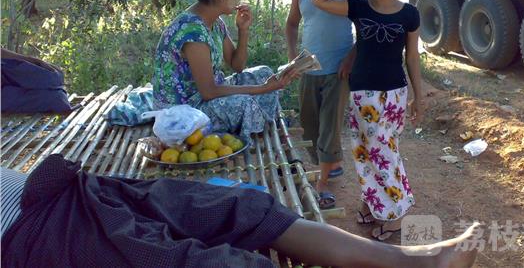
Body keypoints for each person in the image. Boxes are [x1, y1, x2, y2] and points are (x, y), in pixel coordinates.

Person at [0, 155, 480, 267]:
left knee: (235, 205)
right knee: (192, 262)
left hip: (59, 190)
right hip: (29, 235)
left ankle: (414, 262)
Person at [312, 0, 425, 241]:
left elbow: (412, 57)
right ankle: (371, 204)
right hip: (362, 93)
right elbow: (318, 0)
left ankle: (395, 218)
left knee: (384, 153)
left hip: (394, 93)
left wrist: (419, 96)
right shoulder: (359, 7)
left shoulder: (410, 14)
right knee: (364, 151)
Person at [152, 0, 296, 142]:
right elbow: (209, 92)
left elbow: (237, 65)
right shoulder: (192, 32)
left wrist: (243, 30)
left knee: (263, 73)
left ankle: (262, 122)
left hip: (202, 97)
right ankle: (261, 128)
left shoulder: (215, 22)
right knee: (244, 103)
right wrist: (262, 88)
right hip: (181, 112)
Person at [286, 0, 366, 209]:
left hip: (338, 70)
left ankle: (322, 185)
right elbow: (291, 24)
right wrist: (293, 57)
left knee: (330, 127)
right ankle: (329, 163)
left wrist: (351, 58)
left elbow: (365, 28)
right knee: (310, 126)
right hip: (309, 69)